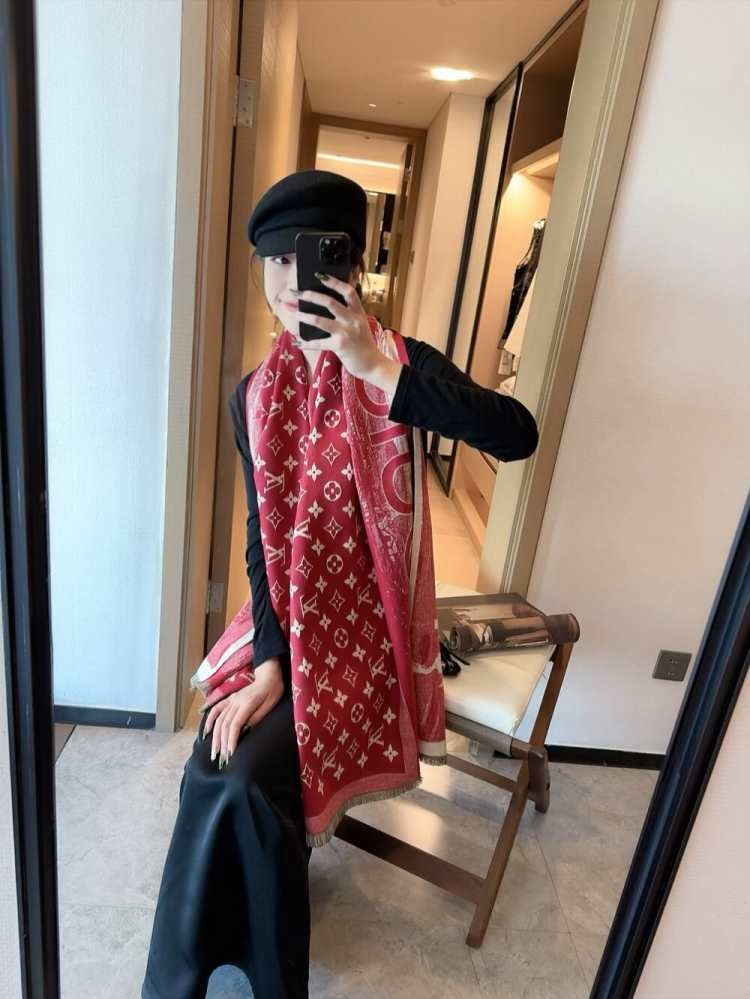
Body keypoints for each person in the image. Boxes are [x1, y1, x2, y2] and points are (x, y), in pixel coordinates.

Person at [141, 169, 539, 999]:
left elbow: (517, 434)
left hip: (372, 646)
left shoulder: (402, 362)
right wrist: (268, 665)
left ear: (352, 269)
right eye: (277, 261)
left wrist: (378, 371)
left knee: (246, 780)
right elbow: (259, 543)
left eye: (313, 258)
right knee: (217, 763)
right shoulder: (252, 398)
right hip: (288, 633)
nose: (293, 280)